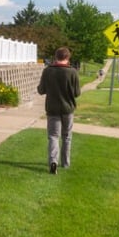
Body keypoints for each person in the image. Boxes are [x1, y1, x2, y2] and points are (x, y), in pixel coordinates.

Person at [37, 46, 80, 175]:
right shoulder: (72, 72)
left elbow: (41, 90)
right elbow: (77, 93)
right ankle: (65, 163)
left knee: (53, 136)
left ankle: (53, 161)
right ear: (68, 58)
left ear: (56, 57)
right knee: (67, 136)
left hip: (52, 108)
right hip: (68, 109)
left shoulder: (47, 71)